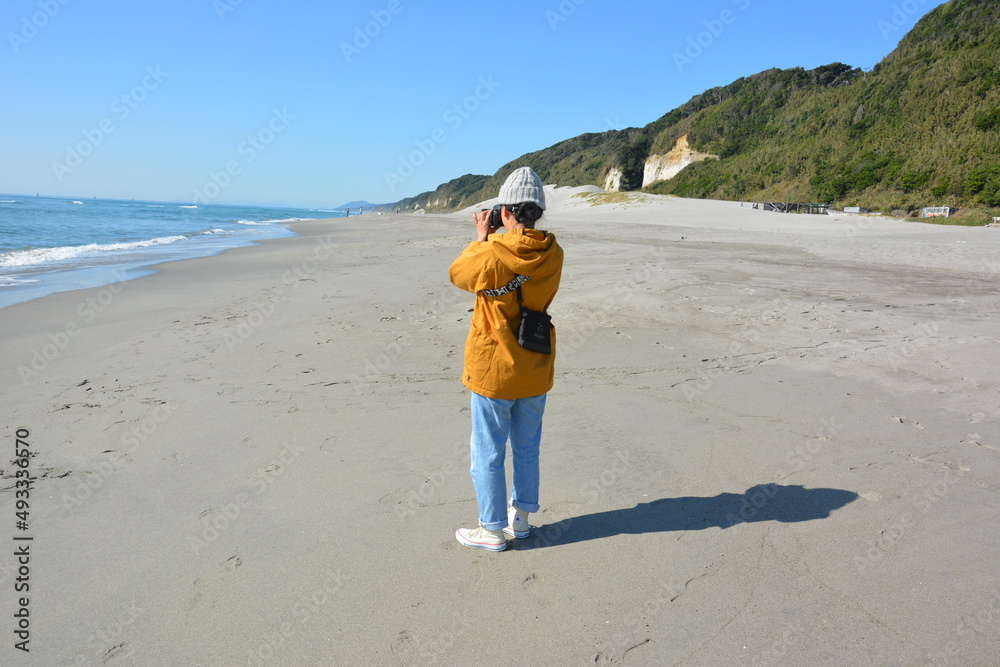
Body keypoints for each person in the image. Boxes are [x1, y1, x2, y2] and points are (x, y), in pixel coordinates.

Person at [448, 167, 564, 551]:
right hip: (535, 363)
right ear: (538, 212)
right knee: (527, 447)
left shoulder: (492, 253)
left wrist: (481, 238)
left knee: (488, 450)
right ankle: (521, 520)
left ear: (505, 211)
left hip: (494, 367)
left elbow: (458, 274)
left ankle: (492, 529)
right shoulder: (553, 253)